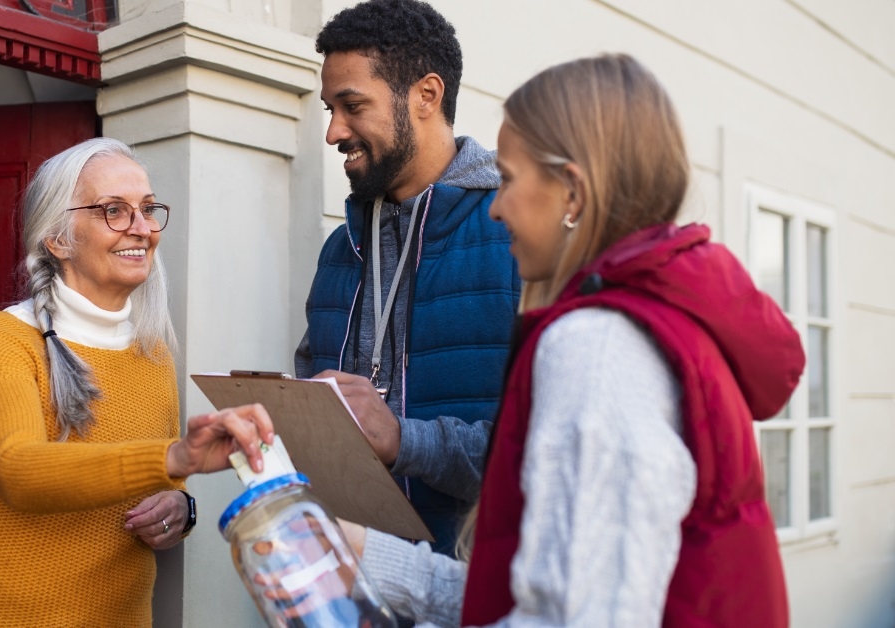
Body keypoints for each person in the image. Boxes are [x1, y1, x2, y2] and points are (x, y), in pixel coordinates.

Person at [339, 54, 800, 627]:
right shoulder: (653, 319)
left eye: (507, 178)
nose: (498, 207)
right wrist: (359, 552)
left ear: (573, 193)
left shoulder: (596, 347)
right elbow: (541, 592)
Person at [0, 138, 275, 627]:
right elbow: (18, 469)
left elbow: (149, 483)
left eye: (148, 209)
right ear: (58, 239)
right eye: (114, 210)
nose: (142, 228)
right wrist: (173, 458)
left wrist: (180, 510)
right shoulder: (4, 338)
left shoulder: (152, 352)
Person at [296, 0, 519, 551]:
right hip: (352, 587)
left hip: (475, 588)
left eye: (351, 106)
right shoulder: (338, 249)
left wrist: (405, 441)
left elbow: (549, 454)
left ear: (426, 95)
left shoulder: (519, 238)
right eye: (330, 109)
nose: (332, 133)